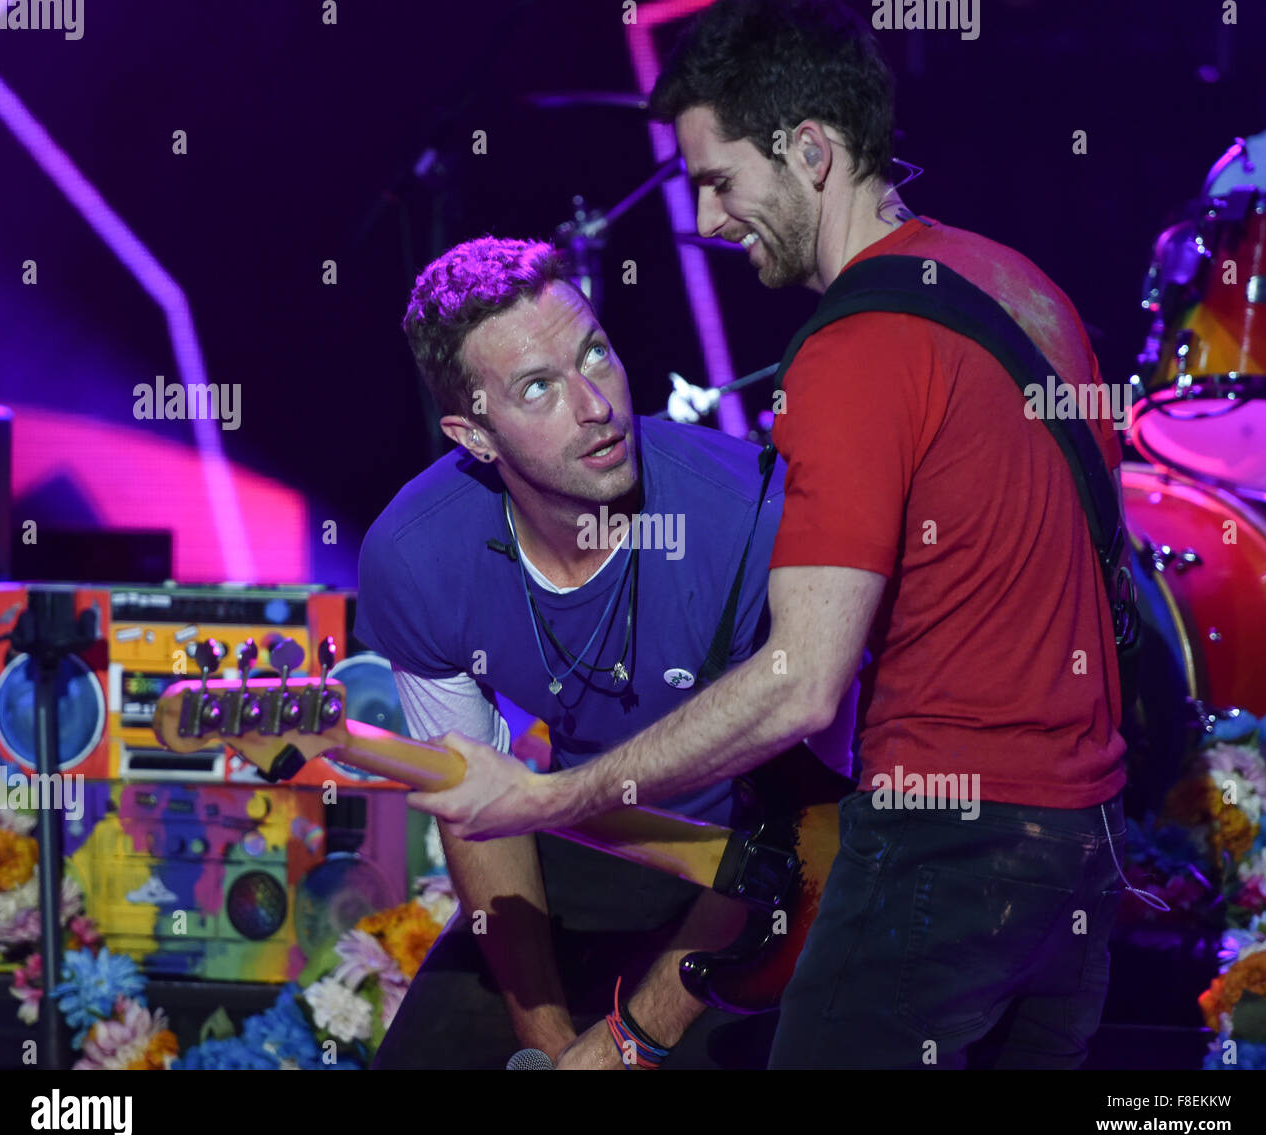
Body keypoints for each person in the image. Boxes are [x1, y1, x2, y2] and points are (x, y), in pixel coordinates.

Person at [409, 0, 1129, 1069]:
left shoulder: (853, 351)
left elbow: (800, 685)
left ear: (809, 150)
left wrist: (550, 795)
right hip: (1078, 851)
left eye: (719, 179)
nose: (704, 218)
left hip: (944, 856)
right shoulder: (1019, 287)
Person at [356, 234, 855, 1069]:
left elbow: (804, 828)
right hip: (596, 845)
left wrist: (630, 1040)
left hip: (769, 863)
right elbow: (481, 818)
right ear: (473, 436)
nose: (595, 405)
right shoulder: (414, 557)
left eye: (595, 352)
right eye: (538, 388)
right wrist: (550, 1043)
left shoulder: (747, 517)